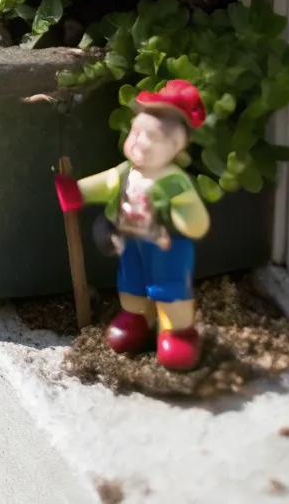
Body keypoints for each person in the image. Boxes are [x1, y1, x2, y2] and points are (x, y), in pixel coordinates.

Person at [55, 79, 210, 371]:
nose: (139, 142)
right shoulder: (128, 171)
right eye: (136, 132)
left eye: (151, 138)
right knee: (132, 283)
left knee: (169, 289)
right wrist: (79, 191)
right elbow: (108, 183)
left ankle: (178, 332)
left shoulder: (175, 181)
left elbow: (194, 219)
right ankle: (137, 317)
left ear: (176, 147)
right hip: (131, 242)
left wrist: (186, 213)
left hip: (167, 247)